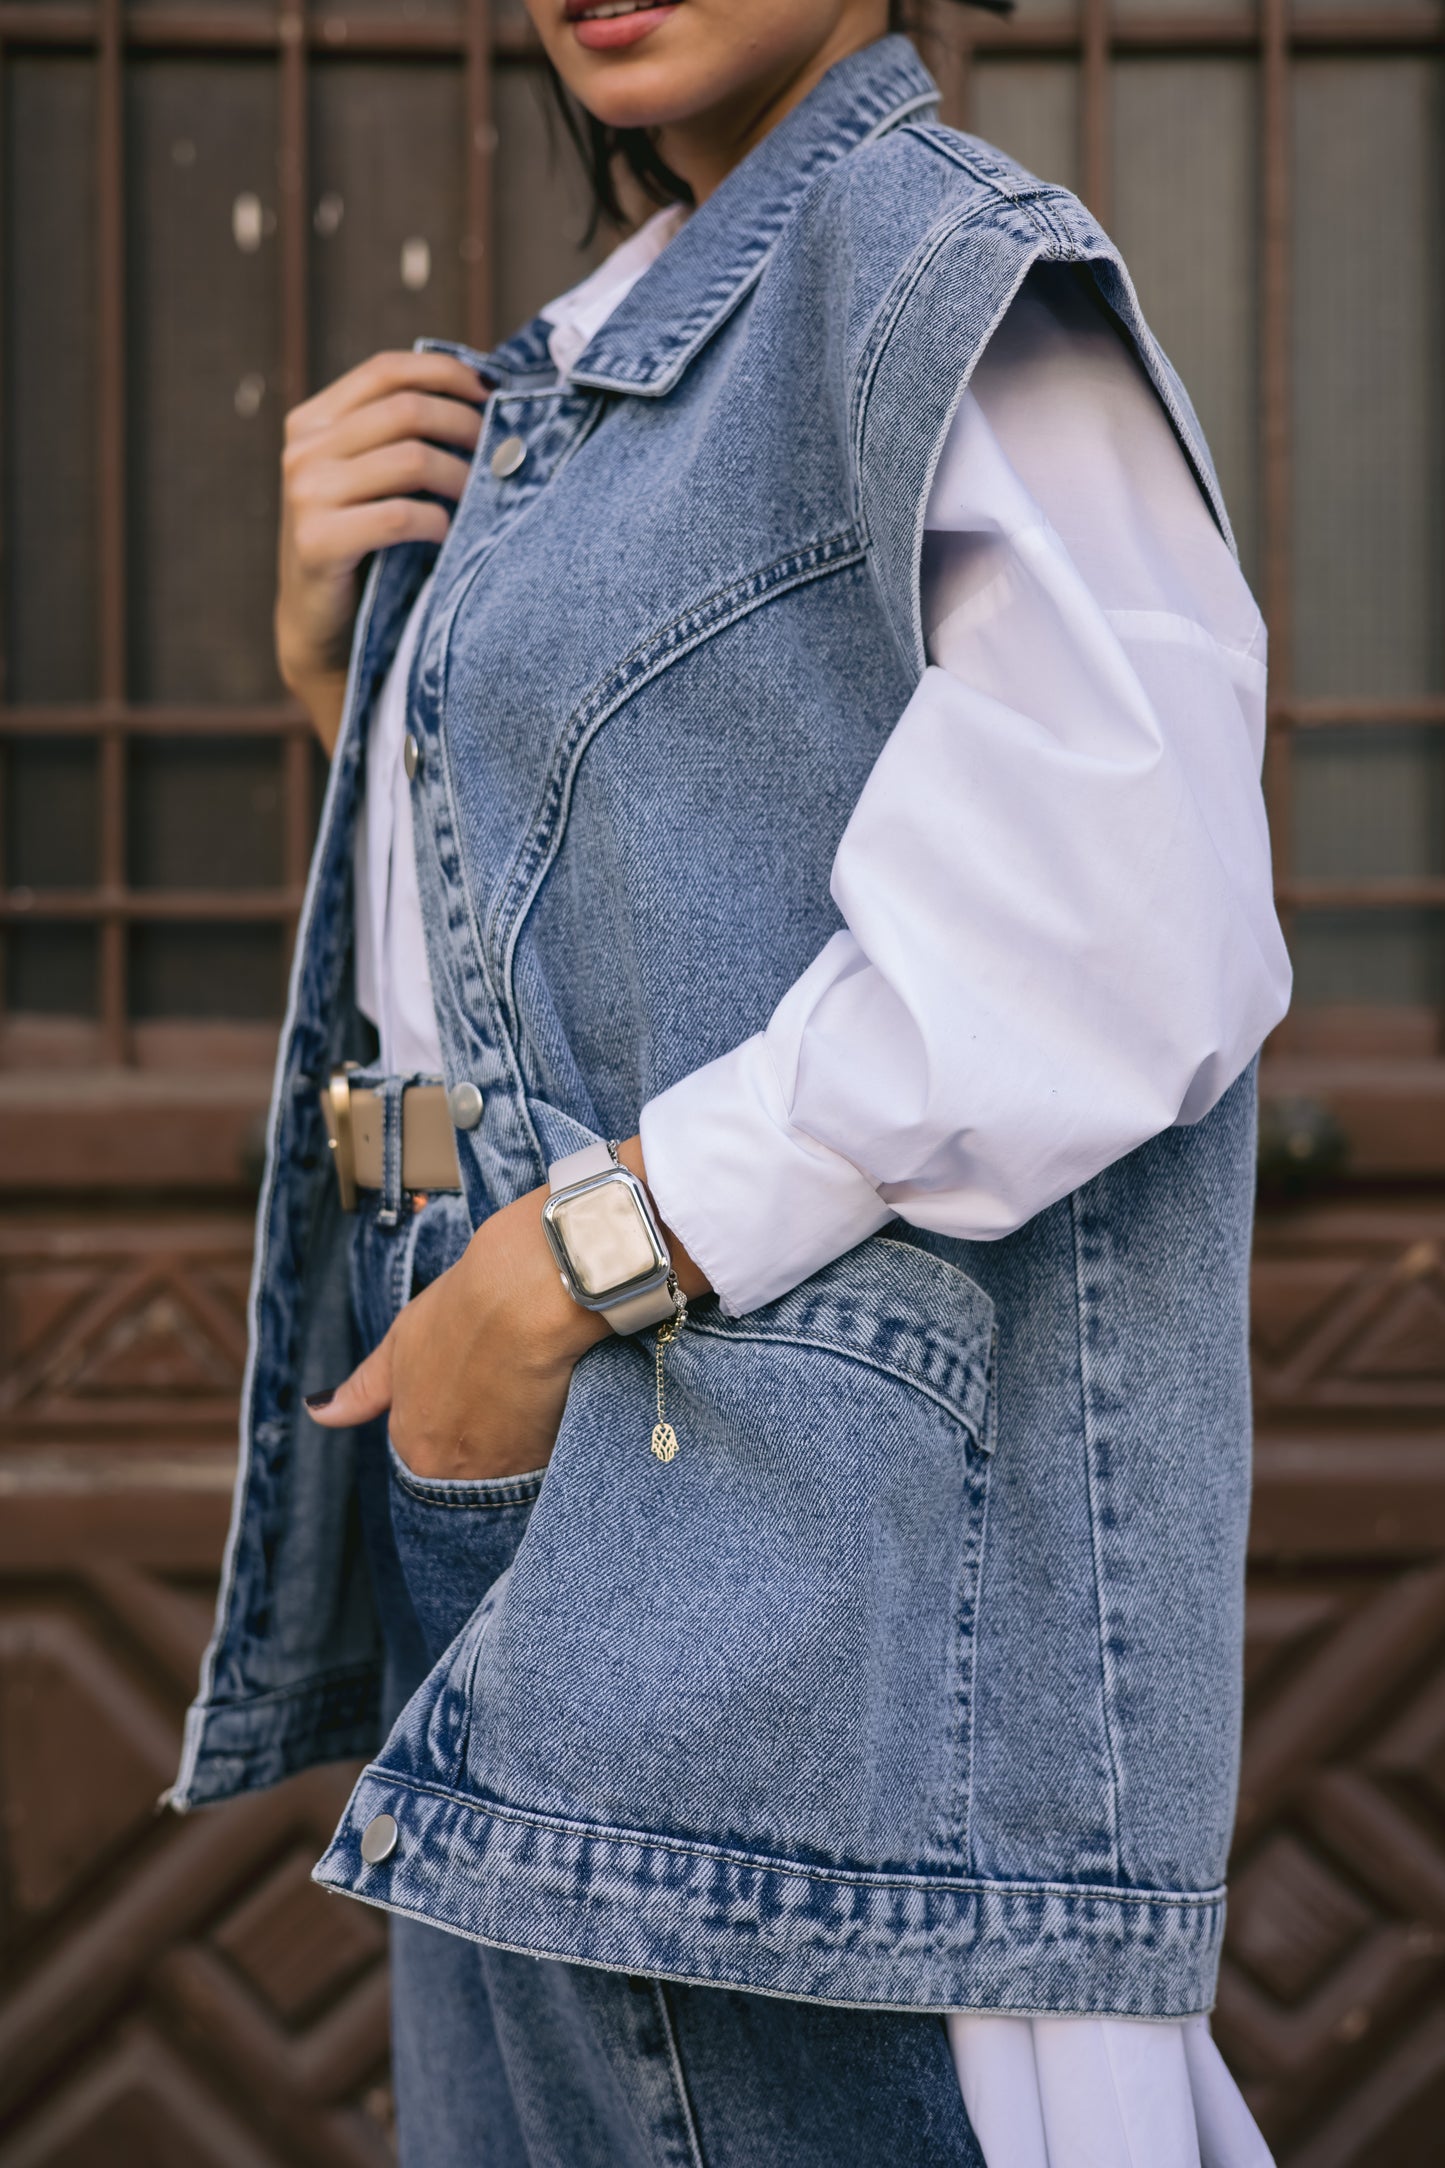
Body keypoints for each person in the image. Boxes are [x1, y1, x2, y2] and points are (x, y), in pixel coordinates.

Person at [172, 3, 1292, 2161]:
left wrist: (571, 1264)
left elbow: (1131, 905)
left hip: (775, 1541)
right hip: (545, 1475)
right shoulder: (596, 358)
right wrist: (352, 680)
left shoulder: (943, 268)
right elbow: (605, 933)